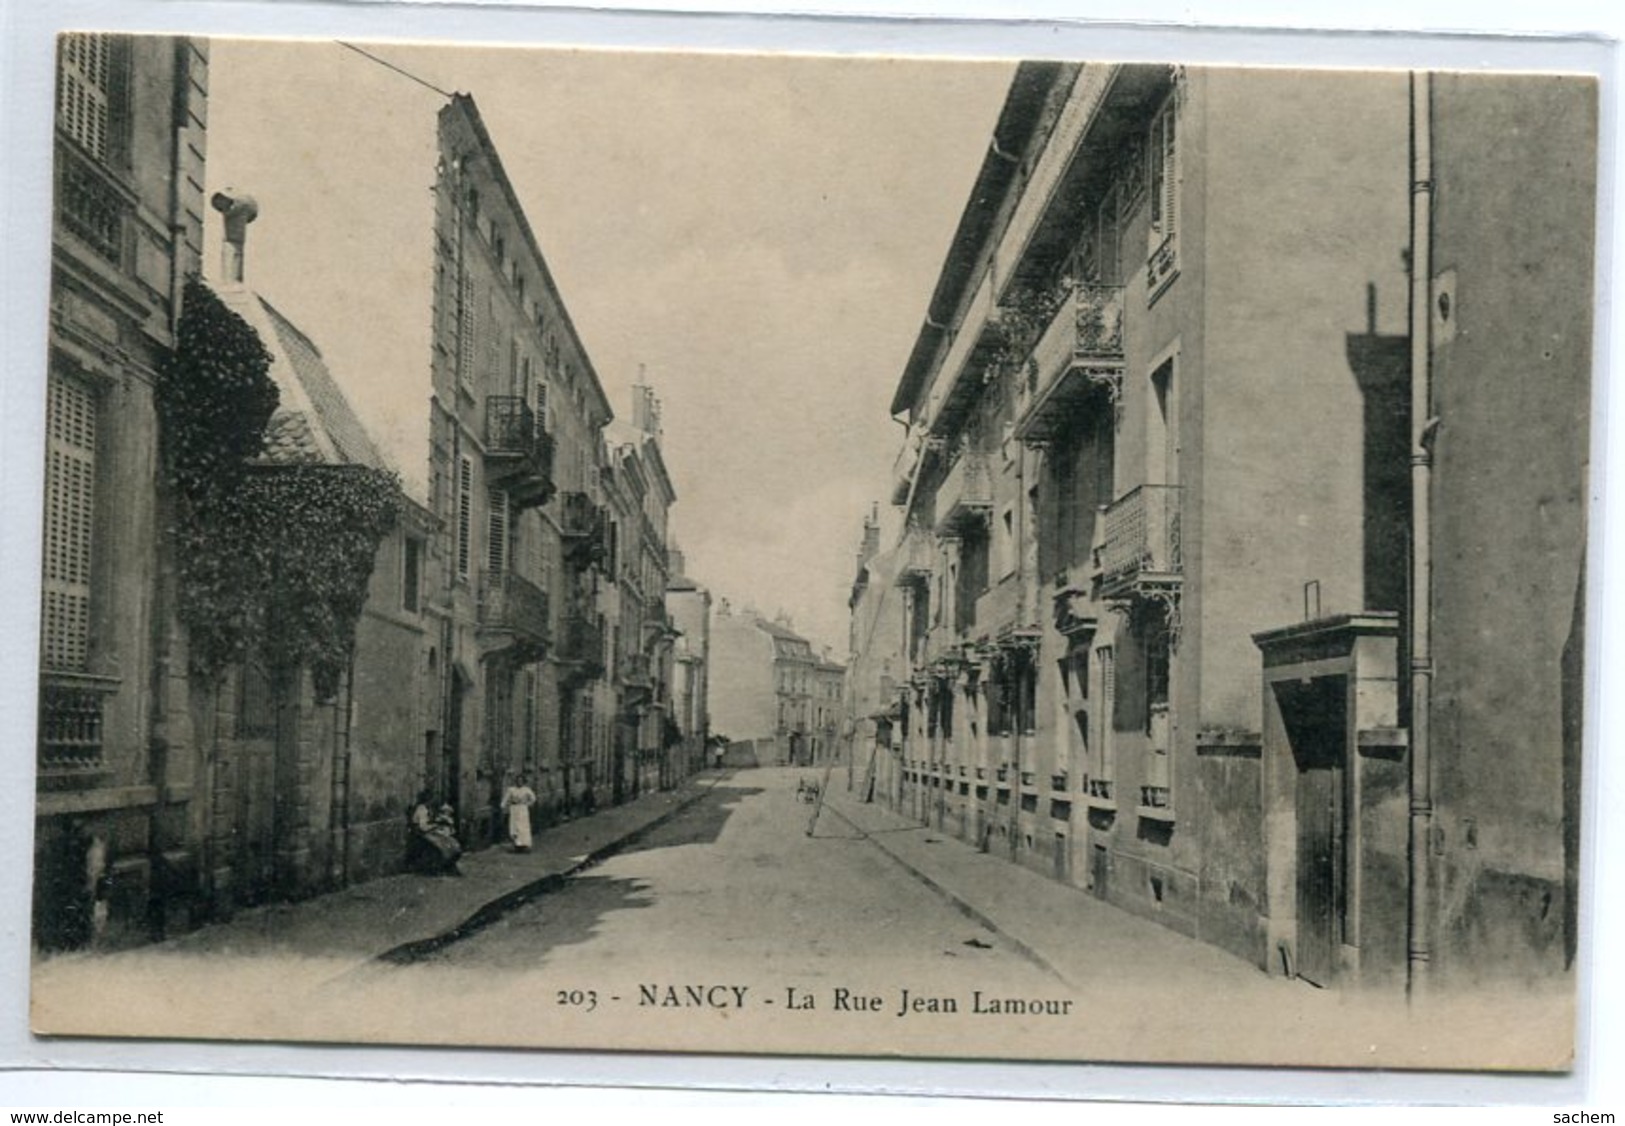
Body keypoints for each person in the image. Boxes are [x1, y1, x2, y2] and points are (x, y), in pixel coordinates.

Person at [408, 789, 463, 875]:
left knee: (448, 840)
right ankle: (443, 866)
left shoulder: (427, 808)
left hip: (428, 831)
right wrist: (435, 826)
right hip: (421, 834)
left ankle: (450, 864)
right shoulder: (422, 810)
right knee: (441, 844)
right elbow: (423, 827)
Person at [502, 773, 537, 852]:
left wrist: (527, 804)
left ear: (523, 781)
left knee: (523, 827)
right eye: (518, 781)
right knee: (514, 827)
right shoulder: (511, 789)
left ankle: (524, 845)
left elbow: (533, 798)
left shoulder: (526, 790)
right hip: (514, 809)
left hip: (523, 809)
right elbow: (505, 799)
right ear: (516, 781)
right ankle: (516, 845)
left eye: (521, 781)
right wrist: (504, 806)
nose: (519, 782)